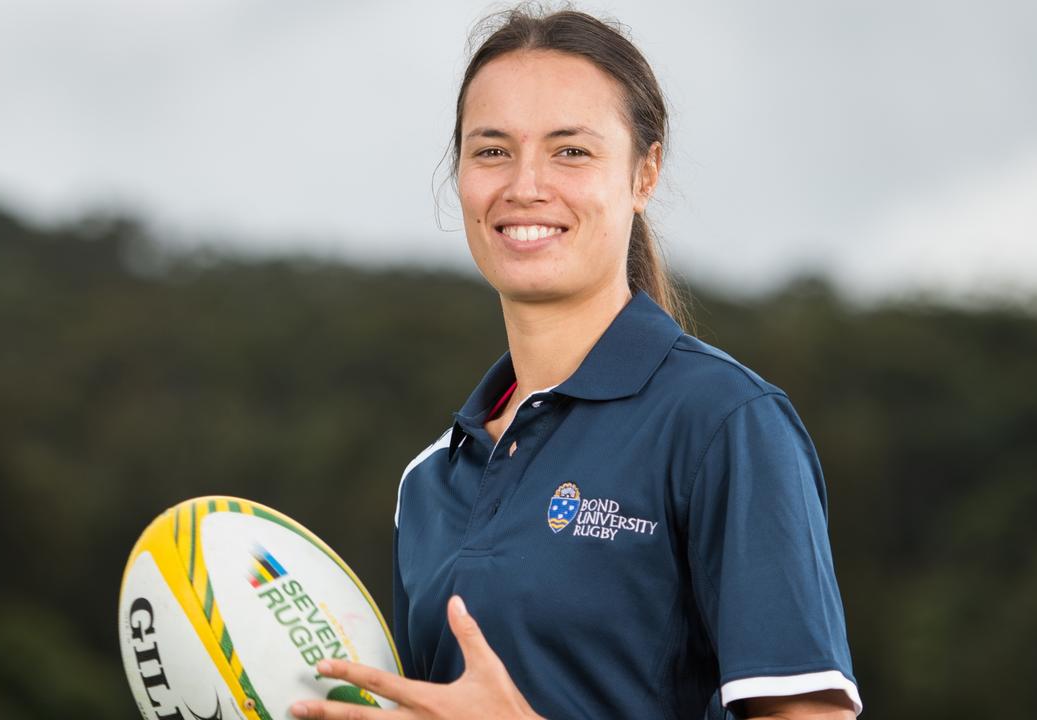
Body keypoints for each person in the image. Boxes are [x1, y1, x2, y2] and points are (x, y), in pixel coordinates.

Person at [291, 7, 860, 720]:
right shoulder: (429, 479)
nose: (525, 185)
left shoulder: (724, 423)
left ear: (644, 173)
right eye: (491, 150)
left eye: (571, 151)